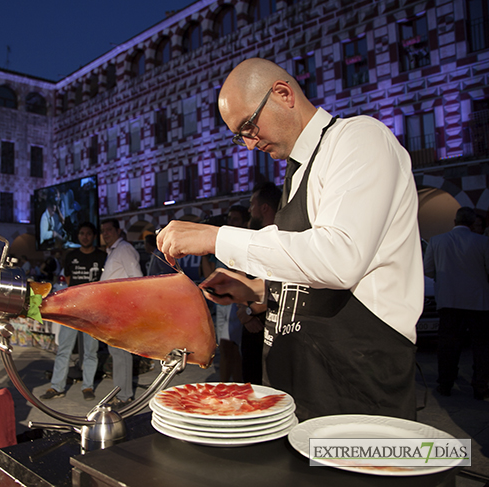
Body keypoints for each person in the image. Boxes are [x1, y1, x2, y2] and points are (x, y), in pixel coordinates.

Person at [157, 58, 423, 421]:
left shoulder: (358, 139)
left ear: (283, 94)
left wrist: (217, 238)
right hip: (295, 392)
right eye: (240, 136)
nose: (249, 145)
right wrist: (257, 291)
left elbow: (340, 259)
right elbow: (313, 274)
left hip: (354, 395)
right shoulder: (296, 173)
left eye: (249, 127)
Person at [423, 207, 489, 400]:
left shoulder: (437, 241)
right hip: (478, 302)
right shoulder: (483, 242)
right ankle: (480, 385)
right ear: (471, 223)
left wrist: (446, 280)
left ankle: (445, 384)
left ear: (455, 221)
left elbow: (428, 270)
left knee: (447, 346)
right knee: (481, 347)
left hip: (449, 301)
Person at [40, 222, 107, 401]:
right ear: (78, 237)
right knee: (64, 349)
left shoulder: (102, 256)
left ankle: (88, 386)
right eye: (82, 233)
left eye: (88, 234)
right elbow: (69, 281)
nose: (85, 236)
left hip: (92, 311)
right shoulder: (71, 256)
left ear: (93, 236)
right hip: (72, 309)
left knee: (91, 351)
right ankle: (57, 387)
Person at [239, 182, 281, 384]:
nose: (249, 209)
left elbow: (281, 286)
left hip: (272, 328)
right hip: (250, 329)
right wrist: (243, 311)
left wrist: (248, 312)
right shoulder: (252, 237)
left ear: (264, 207)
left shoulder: (283, 238)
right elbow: (239, 278)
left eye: (252, 204)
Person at [100, 218, 143, 408]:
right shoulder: (113, 251)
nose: (106, 234)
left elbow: (137, 279)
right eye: (103, 231)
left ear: (118, 231)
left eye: (109, 230)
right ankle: (120, 392)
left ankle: (125, 396)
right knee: (116, 352)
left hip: (122, 309)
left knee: (121, 353)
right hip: (112, 309)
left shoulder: (124, 249)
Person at [216, 205, 249, 383]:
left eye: (235, 219)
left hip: (238, 304)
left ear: (245, 223)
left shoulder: (245, 246)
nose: (230, 222)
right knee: (225, 349)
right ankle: (226, 385)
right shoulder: (224, 248)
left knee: (236, 350)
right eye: (229, 218)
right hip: (223, 305)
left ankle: (236, 386)